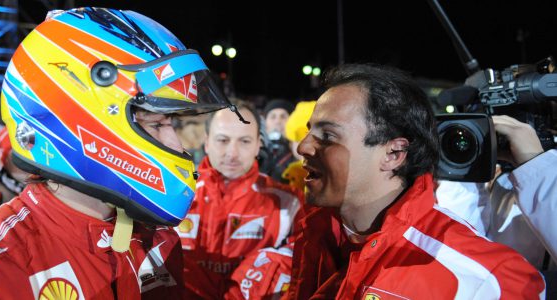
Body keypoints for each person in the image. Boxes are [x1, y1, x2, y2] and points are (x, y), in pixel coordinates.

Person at [0, 7, 241, 298]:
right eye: (154, 124)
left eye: (172, 124)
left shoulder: (159, 243)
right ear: (81, 120)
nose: (178, 146)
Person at [288, 63, 545, 298]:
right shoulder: (316, 234)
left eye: (328, 136)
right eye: (310, 131)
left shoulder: (486, 281)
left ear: (393, 154)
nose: (303, 147)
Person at [177, 101, 303, 299]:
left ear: (258, 145)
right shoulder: (173, 195)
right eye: (223, 140)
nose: (232, 153)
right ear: (207, 142)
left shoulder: (290, 203)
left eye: (244, 141)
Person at [436, 114, 557, 294]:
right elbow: (463, 259)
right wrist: (462, 170)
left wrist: (536, 165)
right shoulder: (497, 176)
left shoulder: (545, 171)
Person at [259, 99, 297, 183]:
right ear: (266, 123)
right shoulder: (256, 150)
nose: (278, 121)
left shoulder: (299, 151)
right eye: (272, 117)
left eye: (283, 117)